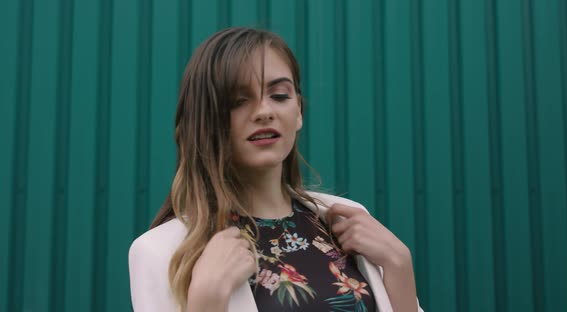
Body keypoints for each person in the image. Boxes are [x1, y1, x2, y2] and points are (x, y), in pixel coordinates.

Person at [129, 27, 423, 312]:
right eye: (238, 101)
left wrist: (399, 266)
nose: (264, 111)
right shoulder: (162, 252)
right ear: (205, 121)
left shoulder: (348, 221)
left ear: (299, 112)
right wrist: (207, 300)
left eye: (280, 95)